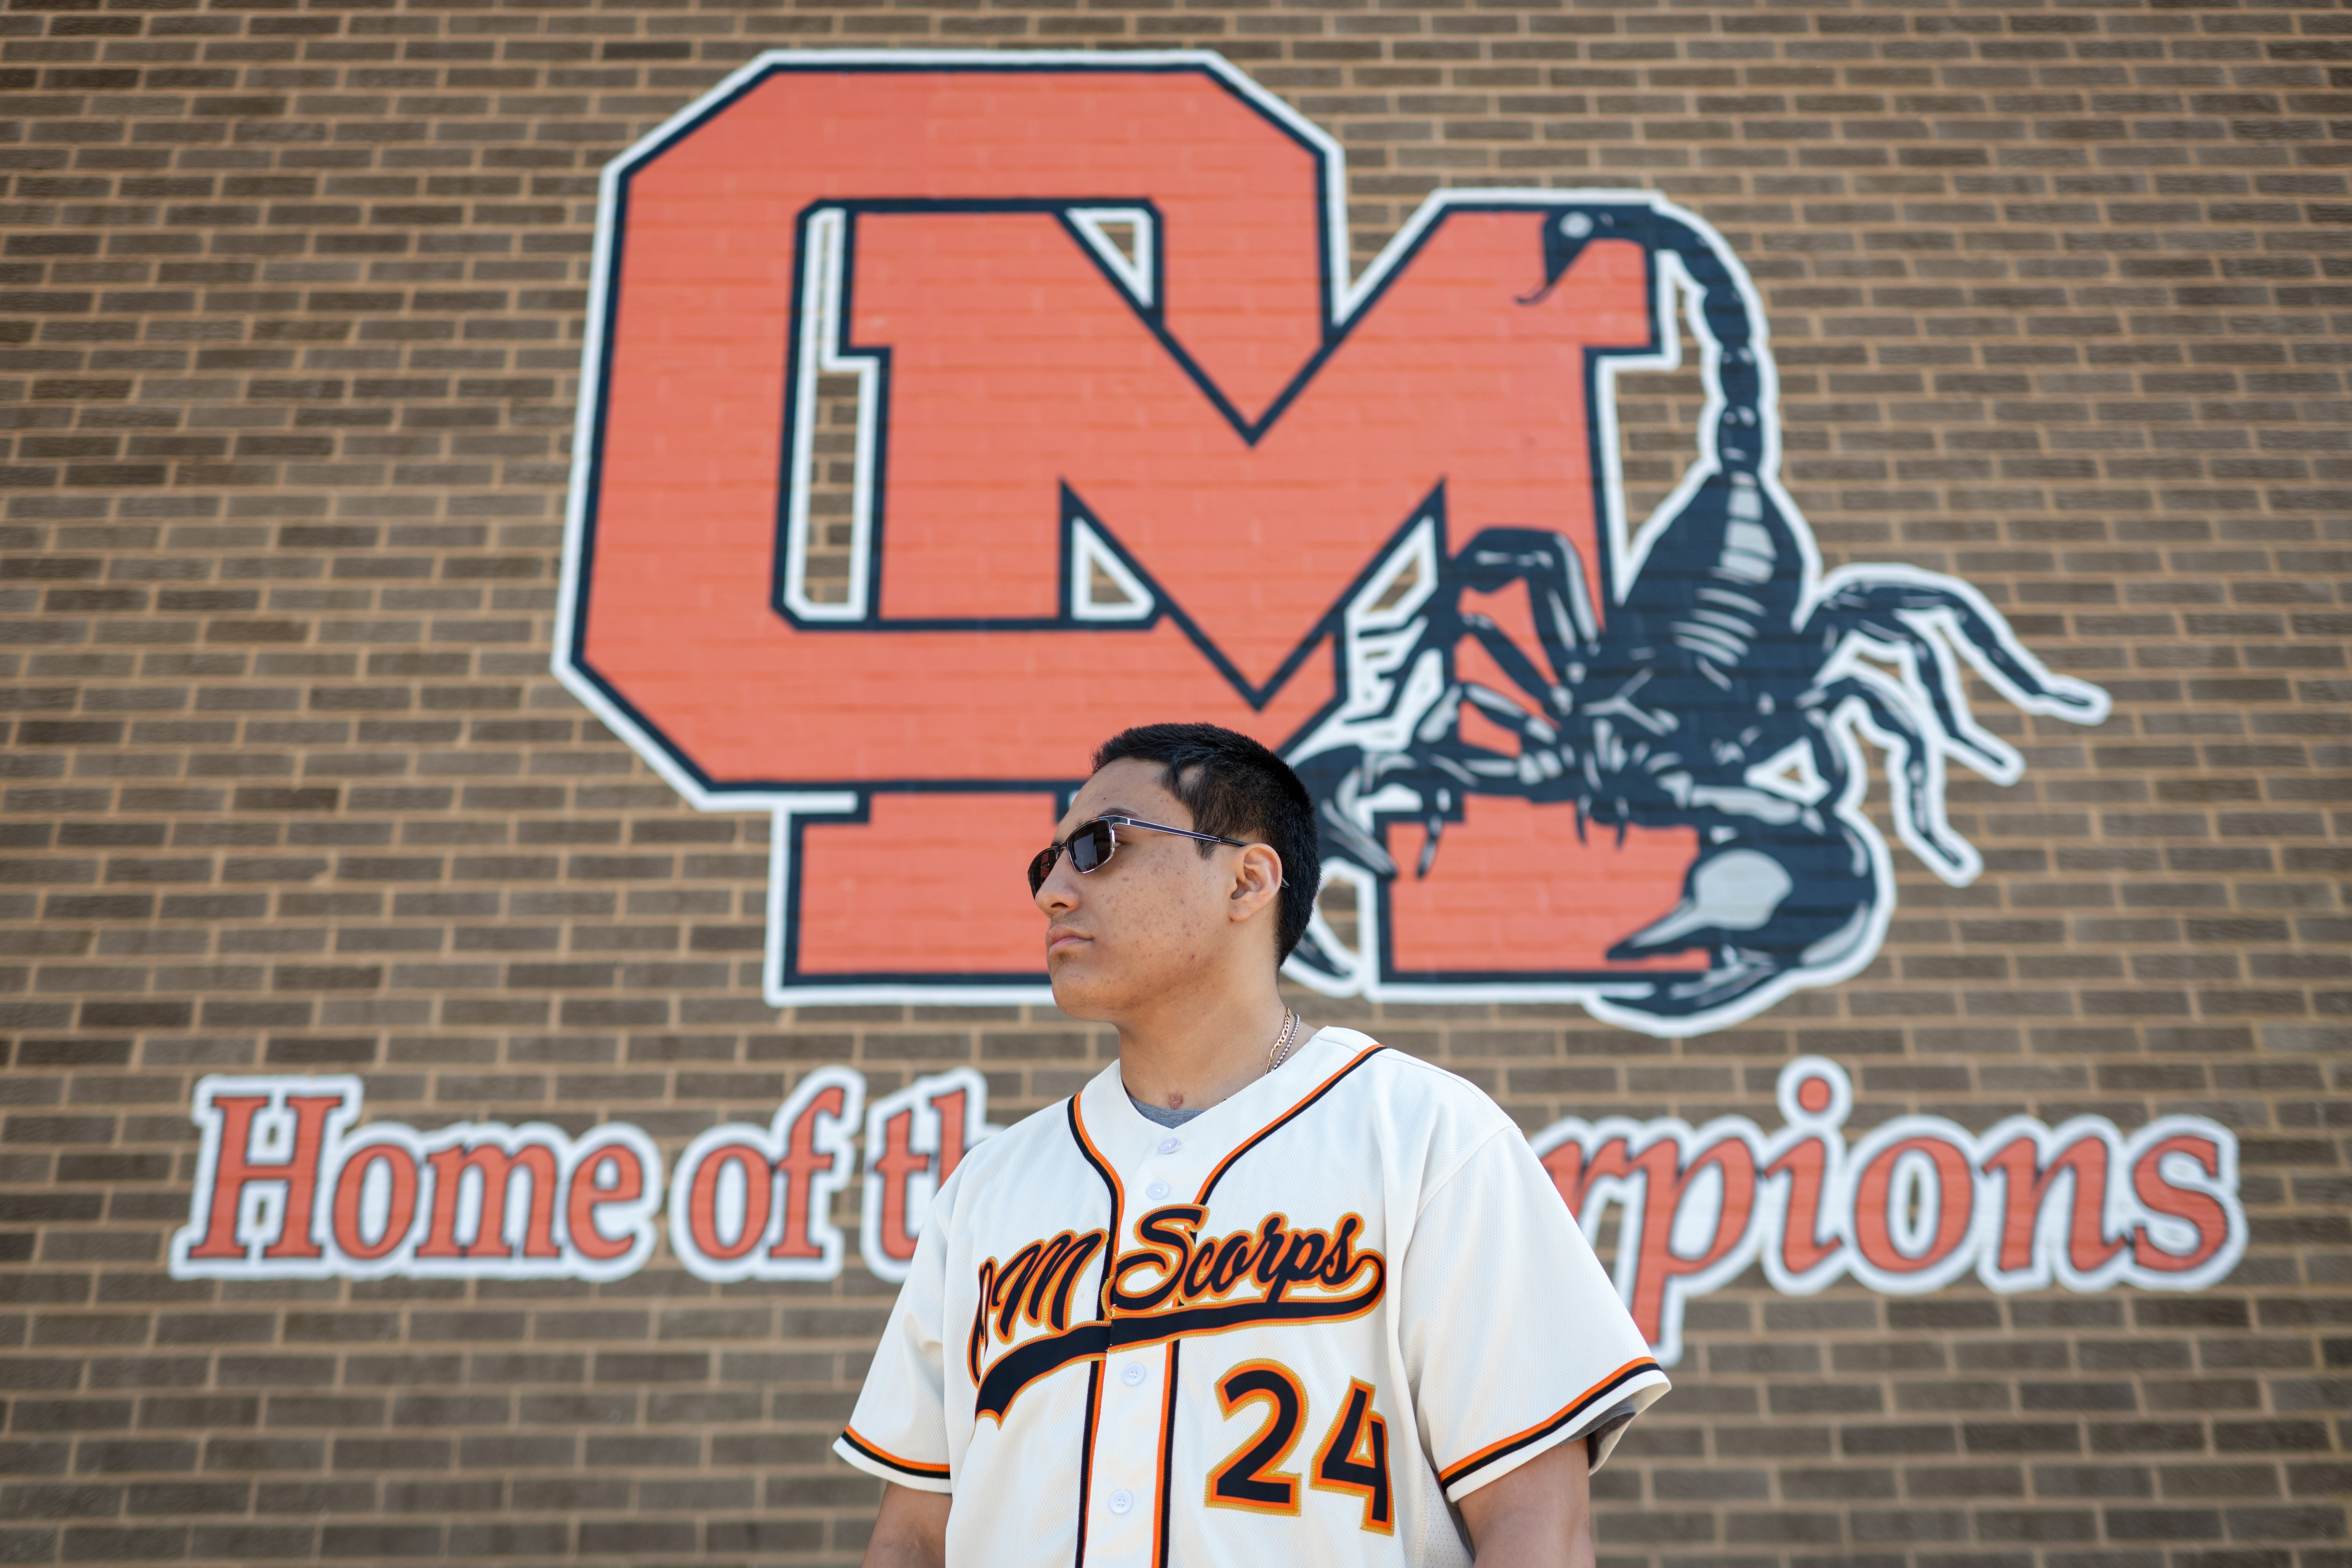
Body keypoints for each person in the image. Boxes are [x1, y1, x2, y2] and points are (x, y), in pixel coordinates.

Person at [836, 722, 1667, 1567]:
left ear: (1247, 878)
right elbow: (911, 1533)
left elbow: (1538, 1525)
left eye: (1097, 845)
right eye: (1044, 864)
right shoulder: (990, 1187)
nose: (1054, 888)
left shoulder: (1431, 1138)